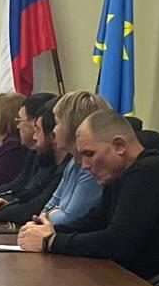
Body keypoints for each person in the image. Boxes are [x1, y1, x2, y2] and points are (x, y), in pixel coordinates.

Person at [19, 110, 159, 281]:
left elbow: (118, 243)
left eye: (89, 154)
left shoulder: (150, 172)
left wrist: (51, 241)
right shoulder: (120, 174)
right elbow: (95, 221)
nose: (85, 165)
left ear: (119, 146)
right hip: (136, 278)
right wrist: (49, 230)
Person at [12, 91, 106, 229]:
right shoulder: (73, 163)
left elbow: (69, 219)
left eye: (57, 123)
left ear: (73, 126)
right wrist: (53, 212)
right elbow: (46, 209)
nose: (53, 130)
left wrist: (52, 213)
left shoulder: (91, 168)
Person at [0, 93, 58, 211]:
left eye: (20, 120)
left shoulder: (15, 148)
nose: (17, 126)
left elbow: (31, 201)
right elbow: (21, 187)